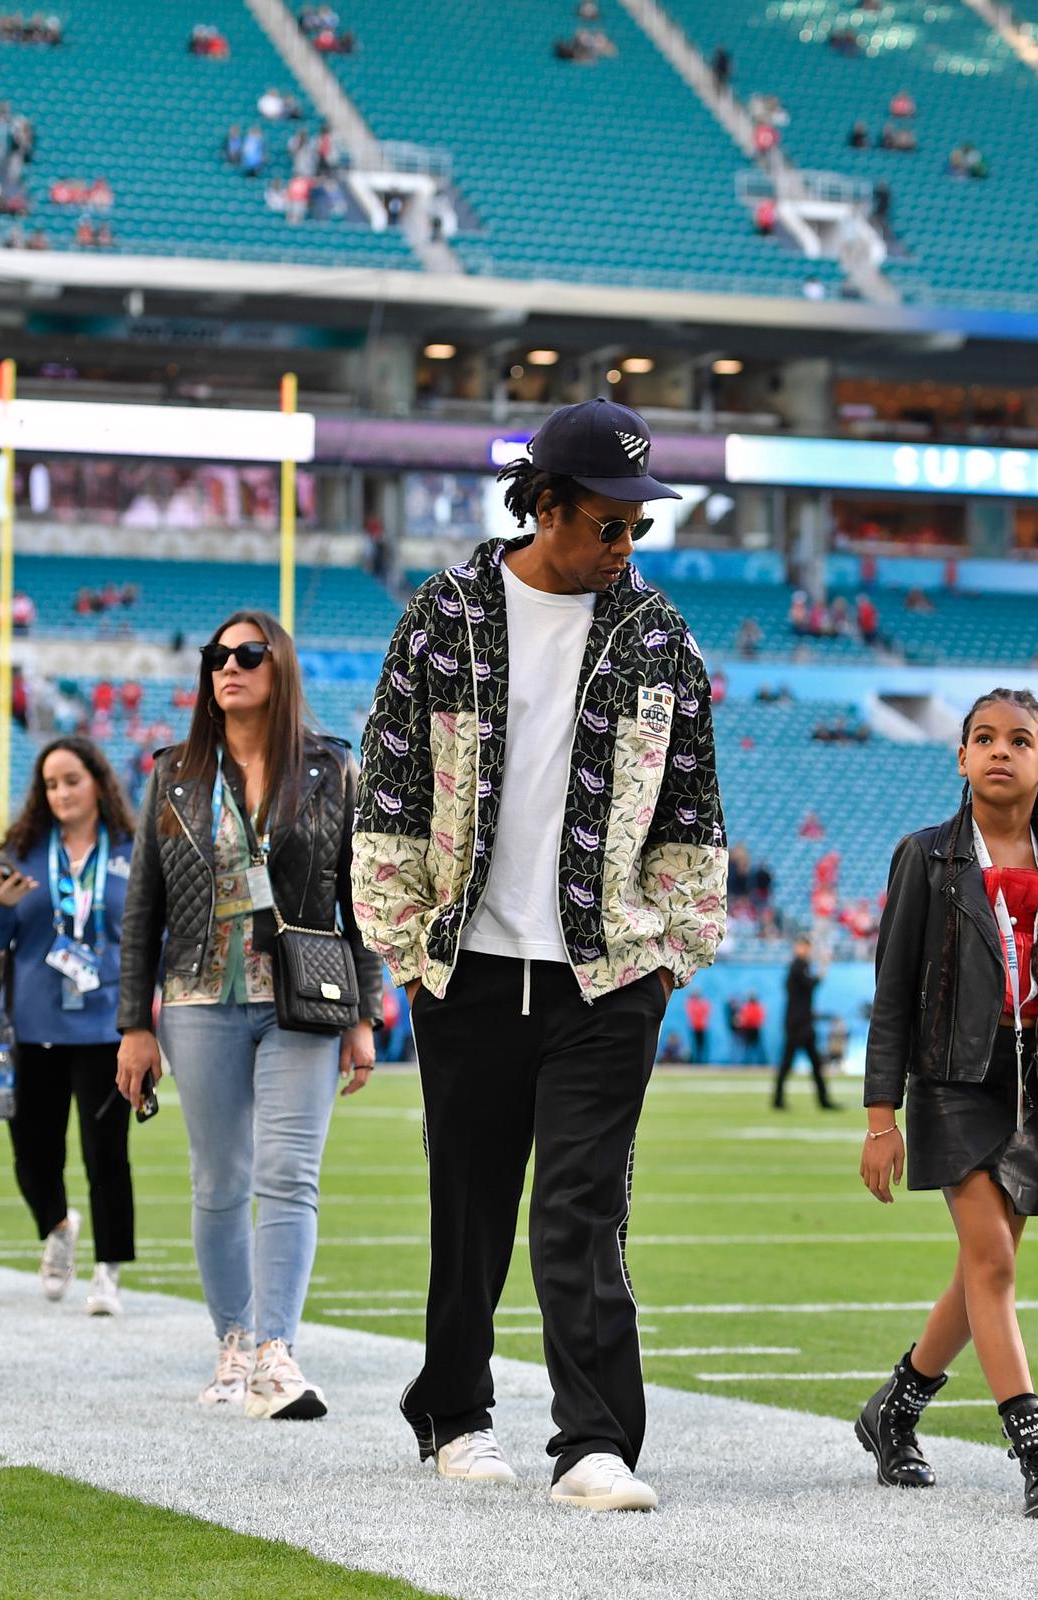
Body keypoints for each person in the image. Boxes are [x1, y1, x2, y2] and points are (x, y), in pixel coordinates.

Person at [354, 398, 727, 1511]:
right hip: (464, 964)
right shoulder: (444, 614)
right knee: (467, 1205)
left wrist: (669, 953)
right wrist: (408, 941)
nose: (625, 547)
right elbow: (389, 785)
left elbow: (693, 811)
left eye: (638, 530)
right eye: (608, 524)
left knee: (582, 1204)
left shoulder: (659, 635)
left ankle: (595, 1440)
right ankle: (455, 1412)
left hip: (607, 974)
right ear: (545, 504)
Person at [116, 613, 376, 1416]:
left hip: (304, 998)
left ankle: (277, 1353)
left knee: (289, 1176)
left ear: (280, 667)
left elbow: (358, 899)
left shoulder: (333, 770)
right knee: (220, 1179)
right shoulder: (174, 773)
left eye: (248, 655)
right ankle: (232, 1342)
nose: (229, 667)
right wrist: (134, 1023)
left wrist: (364, 1011)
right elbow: (142, 908)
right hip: (198, 998)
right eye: (216, 657)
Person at [857, 689, 1038, 1516]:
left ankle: (894, 1411)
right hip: (951, 1079)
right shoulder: (925, 856)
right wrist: (880, 1118)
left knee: (982, 1273)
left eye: (1020, 740)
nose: (1001, 751)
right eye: (984, 738)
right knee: (993, 1262)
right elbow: (892, 994)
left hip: (1033, 1086)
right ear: (961, 757)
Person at [0, 735, 138, 1317]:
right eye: (50, 784)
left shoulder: (131, 848)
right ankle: (56, 1227)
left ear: (97, 780)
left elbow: (155, 933)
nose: (61, 792)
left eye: (72, 779)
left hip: (108, 1029)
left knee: (107, 1156)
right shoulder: (22, 850)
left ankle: (109, 1270)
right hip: (35, 1027)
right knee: (32, 1152)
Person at [773, 936, 836, 1110]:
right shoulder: (798, 966)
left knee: (810, 1063)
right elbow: (811, 983)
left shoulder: (800, 966)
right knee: (790, 1062)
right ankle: (779, 1100)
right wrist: (823, 967)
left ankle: (822, 1100)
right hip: (798, 1023)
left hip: (802, 1022)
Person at [684, 987, 711, 1063]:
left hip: (702, 1027)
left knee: (703, 1045)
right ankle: (695, 1060)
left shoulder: (702, 1003)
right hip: (695, 1027)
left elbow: (707, 1011)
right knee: (695, 1045)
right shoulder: (691, 1003)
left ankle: (703, 1060)